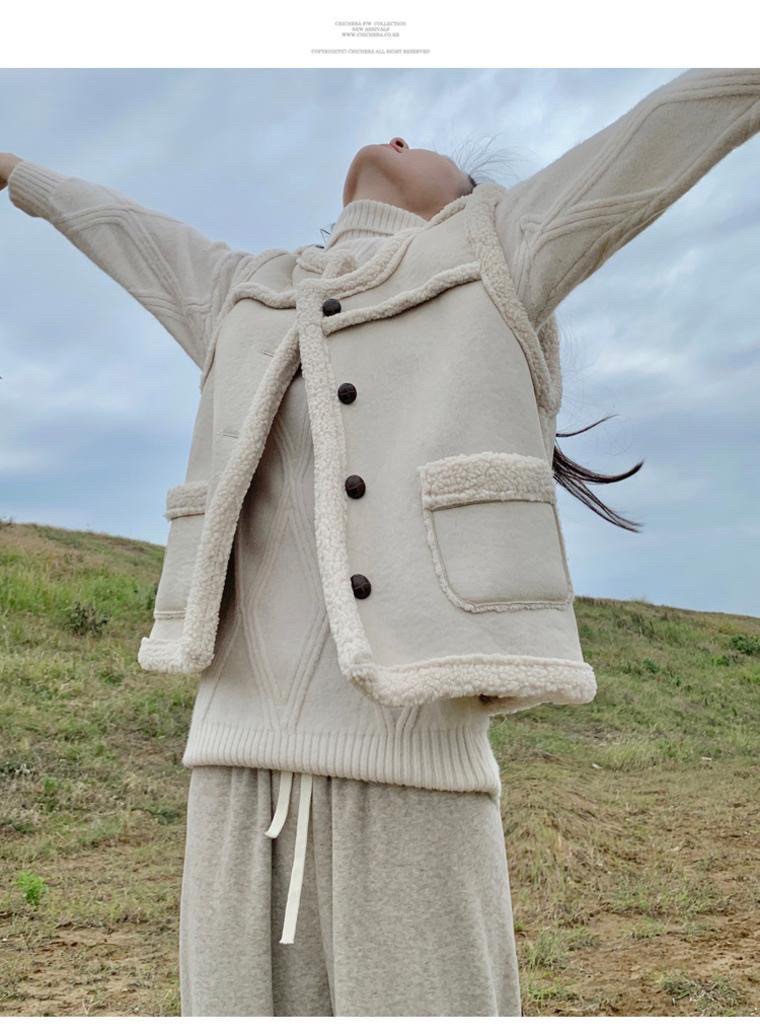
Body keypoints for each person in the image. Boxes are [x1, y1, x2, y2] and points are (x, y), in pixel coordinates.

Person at [2, 67, 758, 1018]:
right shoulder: (245, 293)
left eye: (436, 151)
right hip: (230, 774)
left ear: (465, 201)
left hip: (416, 786)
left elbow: (664, 131)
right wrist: (16, 172)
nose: (400, 137)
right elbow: (122, 230)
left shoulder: (499, 249)